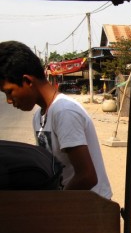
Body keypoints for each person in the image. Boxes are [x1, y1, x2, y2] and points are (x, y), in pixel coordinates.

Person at [0, 41, 112, 199]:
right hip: (68, 205)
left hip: (89, 211)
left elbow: (87, 177)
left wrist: (51, 203)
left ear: (28, 81)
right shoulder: (39, 117)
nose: (9, 100)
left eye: (9, 92)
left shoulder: (64, 111)